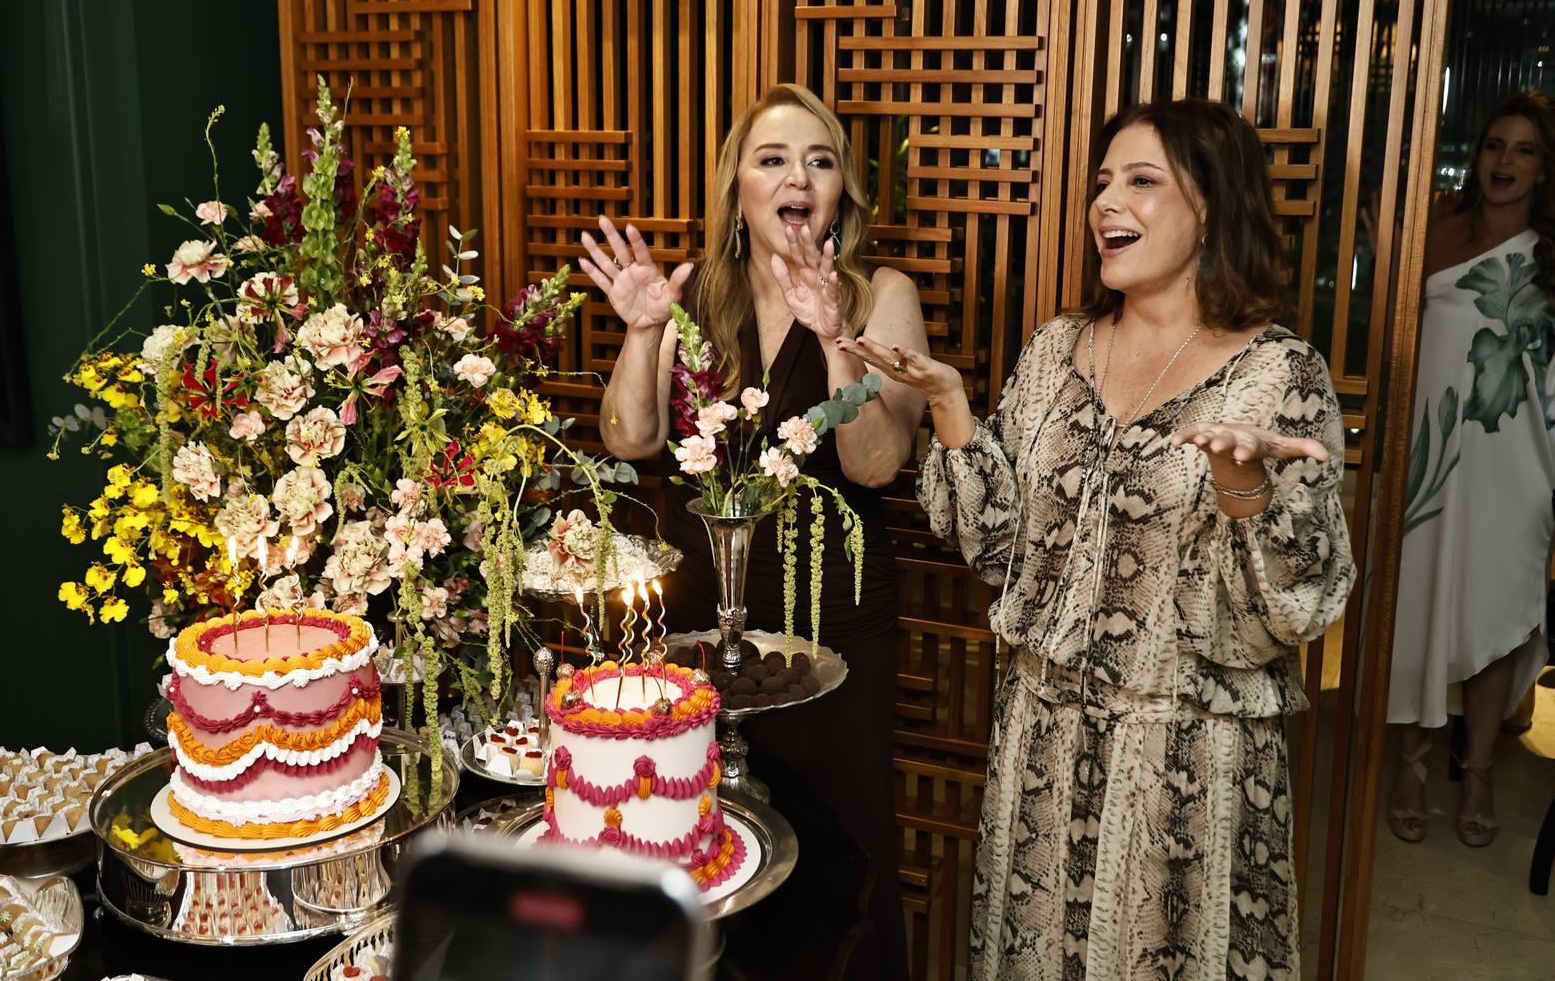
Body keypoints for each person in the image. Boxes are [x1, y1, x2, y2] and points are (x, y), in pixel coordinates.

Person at [843, 99, 1354, 979]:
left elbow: (1295, 610)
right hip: (1041, 744)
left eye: (1142, 181)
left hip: (1188, 764)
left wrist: (1240, 485)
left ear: (1213, 209)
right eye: (1104, 181)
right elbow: (1001, 554)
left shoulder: (1279, 374)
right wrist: (951, 407)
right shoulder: (1056, 350)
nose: (1107, 201)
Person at [580, 82, 928, 979]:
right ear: (738, 189)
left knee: (836, 855)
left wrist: (837, 336)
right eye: (773, 159)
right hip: (702, 617)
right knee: (703, 842)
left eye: (820, 161)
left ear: (842, 192)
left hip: (832, 623)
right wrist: (644, 332)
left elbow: (877, 464)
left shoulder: (881, 295)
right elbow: (630, 439)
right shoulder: (696, 295)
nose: (798, 178)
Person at [1385, 90, 1555, 847]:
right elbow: (1395, 335)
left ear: (1544, 167)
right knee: (1417, 601)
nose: (1505, 161)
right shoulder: (1438, 233)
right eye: (1494, 145)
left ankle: (1478, 766)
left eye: (1524, 149)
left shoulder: (1551, 256)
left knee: (1495, 608)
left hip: (1518, 464)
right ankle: (1412, 760)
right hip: (1431, 454)